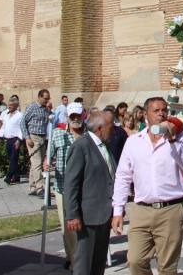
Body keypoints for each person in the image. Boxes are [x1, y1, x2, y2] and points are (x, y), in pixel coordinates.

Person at [112, 97, 183, 275]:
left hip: (170, 210)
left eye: (164, 110)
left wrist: (173, 141)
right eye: (156, 110)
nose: (161, 114)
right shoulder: (134, 142)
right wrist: (118, 209)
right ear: (145, 114)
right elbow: (123, 176)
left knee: (167, 267)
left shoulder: (182, 138)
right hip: (142, 210)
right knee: (135, 261)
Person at [64, 110, 117, 275]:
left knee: (98, 263)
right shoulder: (81, 146)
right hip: (86, 217)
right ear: (100, 128)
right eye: (111, 126)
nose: (114, 130)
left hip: (103, 214)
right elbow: (71, 183)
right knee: (83, 265)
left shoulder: (104, 146)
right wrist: (72, 214)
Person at [45, 102, 86, 270]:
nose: (76, 119)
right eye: (72, 116)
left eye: (78, 116)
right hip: (63, 186)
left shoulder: (89, 136)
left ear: (84, 116)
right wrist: (47, 162)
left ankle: (81, 257)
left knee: (84, 224)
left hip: (84, 187)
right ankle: (73, 259)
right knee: (67, 225)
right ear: (68, 118)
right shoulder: (57, 134)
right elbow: (48, 156)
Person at [23, 89, 53, 196]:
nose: (47, 100)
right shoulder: (32, 107)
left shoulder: (45, 109)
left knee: (36, 164)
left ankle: (32, 187)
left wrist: (50, 110)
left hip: (43, 137)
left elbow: (51, 119)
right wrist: (27, 137)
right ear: (39, 97)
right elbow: (23, 122)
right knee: (37, 163)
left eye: (48, 98)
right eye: (45, 98)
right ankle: (40, 187)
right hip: (33, 137)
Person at [0, 95, 25, 184]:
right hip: (8, 140)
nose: (9, 107)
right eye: (9, 105)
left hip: (15, 139)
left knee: (13, 158)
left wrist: (19, 140)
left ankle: (8, 177)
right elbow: (3, 127)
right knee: (12, 159)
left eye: (11, 106)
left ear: (16, 106)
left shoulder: (20, 115)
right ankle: (16, 176)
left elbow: (22, 128)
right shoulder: (7, 115)